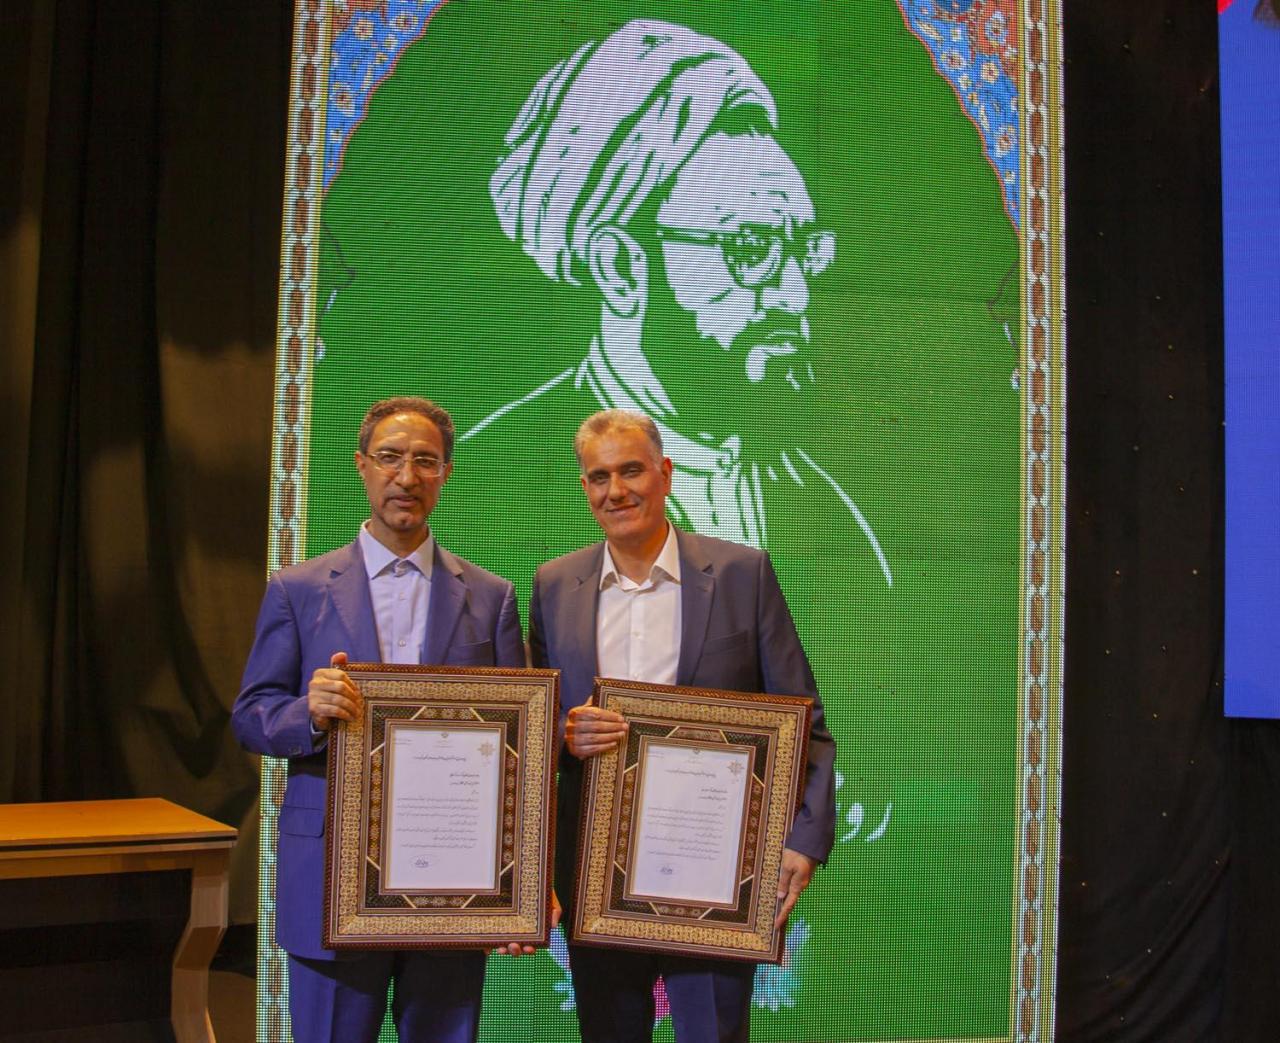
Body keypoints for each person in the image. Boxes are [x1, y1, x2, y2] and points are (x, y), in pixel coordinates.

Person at [468, 17, 891, 585]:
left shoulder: (830, 515)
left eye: (805, 249)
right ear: (620, 268)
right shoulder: (494, 483)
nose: (795, 294)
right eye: (750, 248)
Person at [529, 408, 836, 1043]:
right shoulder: (554, 584)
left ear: (665, 473)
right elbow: (533, 728)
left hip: (719, 871)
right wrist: (564, 734)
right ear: (585, 488)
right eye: (599, 477)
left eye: (631, 471)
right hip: (594, 874)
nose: (616, 491)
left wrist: (803, 841)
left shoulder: (742, 574)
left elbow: (803, 718)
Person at [232, 396, 525, 1042]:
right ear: (361, 465)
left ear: (446, 473)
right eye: (390, 457)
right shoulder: (298, 589)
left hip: (453, 885)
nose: (406, 476)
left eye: (426, 461)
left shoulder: (492, 597)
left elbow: (519, 755)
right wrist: (307, 712)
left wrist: (519, 885)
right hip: (329, 882)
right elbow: (251, 715)